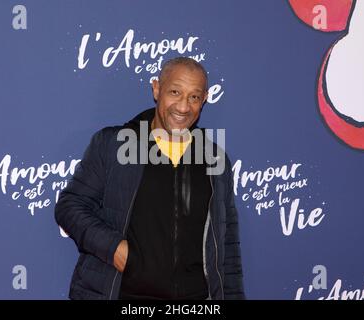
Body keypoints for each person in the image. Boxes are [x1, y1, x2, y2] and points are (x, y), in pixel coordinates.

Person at [55, 57, 244, 300]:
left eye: (194, 97)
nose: (183, 107)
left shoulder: (215, 159)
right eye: (175, 92)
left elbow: (227, 244)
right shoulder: (113, 143)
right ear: (157, 89)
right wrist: (114, 249)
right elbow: (70, 206)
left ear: (204, 100)